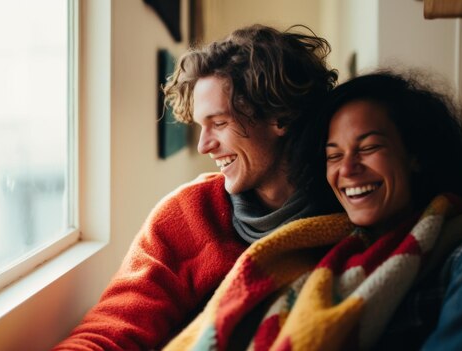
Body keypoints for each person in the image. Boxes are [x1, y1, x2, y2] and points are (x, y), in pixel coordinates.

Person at [51, 24, 338, 350]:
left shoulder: (353, 209)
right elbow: (111, 328)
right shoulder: (188, 214)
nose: (204, 145)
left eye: (219, 123)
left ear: (280, 118)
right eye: (201, 126)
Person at [163, 71, 462, 350]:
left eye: (369, 148)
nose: (347, 169)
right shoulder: (328, 250)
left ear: (415, 155)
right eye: (333, 155)